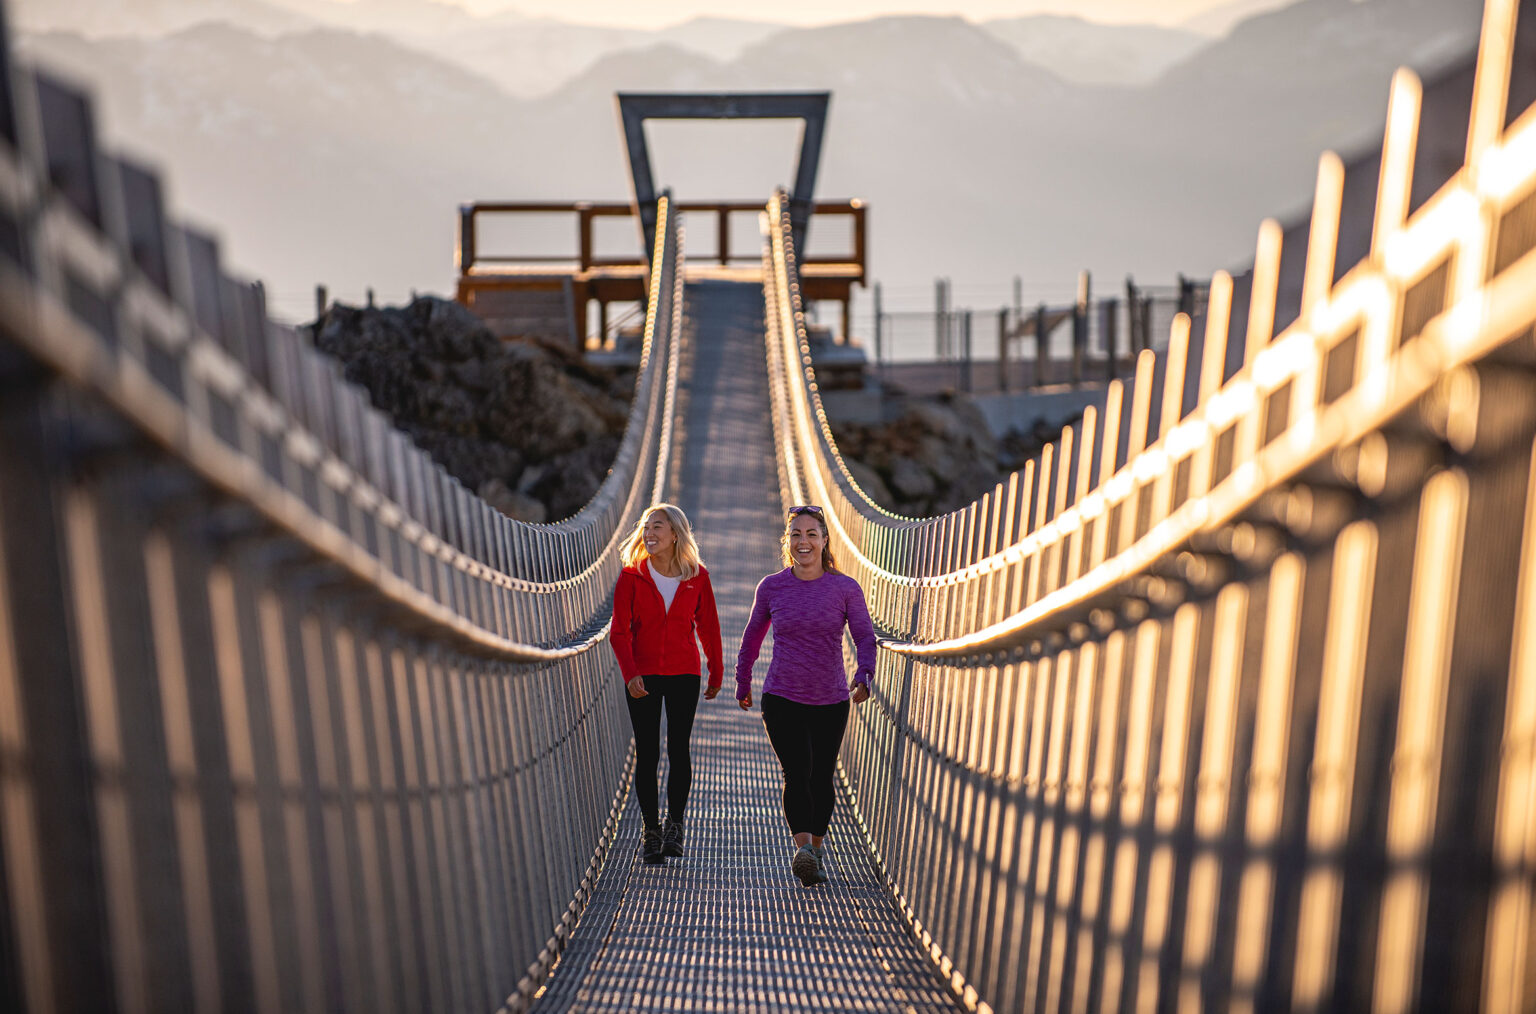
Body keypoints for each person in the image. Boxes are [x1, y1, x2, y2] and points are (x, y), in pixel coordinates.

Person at [736, 504, 876, 886]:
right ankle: (803, 851)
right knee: (797, 772)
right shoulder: (771, 587)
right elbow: (752, 637)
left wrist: (864, 673)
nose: (804, 541)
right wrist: (743, 681)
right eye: (796, 534)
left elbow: (864, 636)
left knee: (821, 777)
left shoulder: (845, 588)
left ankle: (815, 849)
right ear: (787, 541)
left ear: (824, 540)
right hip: (782, 696)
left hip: (831, 699)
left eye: (812, 534)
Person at [610, 503, 723, 864]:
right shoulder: (631, 576)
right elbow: (619, 632)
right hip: (642, 675)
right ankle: (651, 830)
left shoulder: (697, 576)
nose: (649, 533)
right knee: (648, 752)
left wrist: (716, 671)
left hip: (684, 673)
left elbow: (709, 627)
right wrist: (630, 674)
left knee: (678, 748)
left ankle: (675, 826)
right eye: (646, 527)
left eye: (657, 527)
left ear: (675, 533)